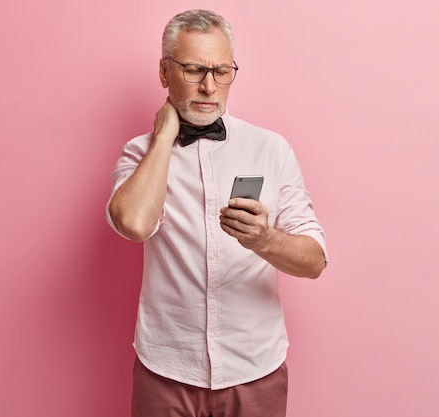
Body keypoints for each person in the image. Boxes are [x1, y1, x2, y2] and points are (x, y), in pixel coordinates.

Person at [106, 9, 328, 417]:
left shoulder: (271, 149)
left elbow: (314, 260)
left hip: (255, 368)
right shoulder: (140, 154)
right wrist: (165, 137)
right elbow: (135, 224)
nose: (209, 86)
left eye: (222, 71)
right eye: (193, 70)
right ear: (164, 72)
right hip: (167, 370)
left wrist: (264, 239)